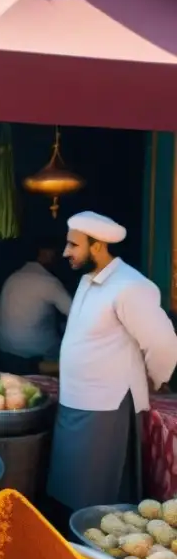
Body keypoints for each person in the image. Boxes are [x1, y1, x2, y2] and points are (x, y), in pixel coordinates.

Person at [47, 211, 177, 515]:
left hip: (106, 402)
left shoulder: (130, 286)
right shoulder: (87, 281)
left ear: (97, 246)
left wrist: (155, 379)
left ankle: (92, 550)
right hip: (74, 398)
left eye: (73, 245)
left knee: (95, 494)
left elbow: (163, 342)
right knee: (69, 485)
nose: (66, 252)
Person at [0, 239, 72, 374]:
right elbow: (75, 314)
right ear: (46, 254)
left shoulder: (13, 277)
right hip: (34, 355)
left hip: (5, 349)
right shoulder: (49, 282)